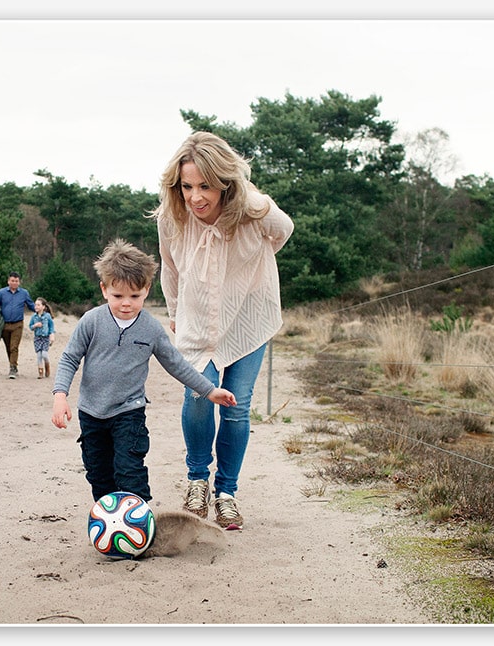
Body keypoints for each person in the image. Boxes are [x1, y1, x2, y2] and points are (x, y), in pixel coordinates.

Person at [148, 131, 294, 529]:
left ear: (225, 183)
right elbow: (170, 267)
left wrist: (248, 204)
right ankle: (198, 480)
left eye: (206, 186)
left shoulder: (252, 209)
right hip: (196, 318)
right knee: (198, 394)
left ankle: (226, 493)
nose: (196, 197)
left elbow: (283, 231)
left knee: (236, 406)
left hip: (249, 315)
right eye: (187, 186)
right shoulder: (171, 217)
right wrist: (175, 310)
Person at [50, 239, 237, 504]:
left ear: (147, 290)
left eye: (134, 296)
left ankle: (139, 525)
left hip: (129, 412)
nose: (126, 303)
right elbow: (69, 358)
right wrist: (60, 395)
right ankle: (112, 526)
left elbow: (176, 364)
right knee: (99, 474)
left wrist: (209, 390)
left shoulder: (150, 329)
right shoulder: (91, 321)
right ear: (104, 290)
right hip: (91, 413)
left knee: (129, 471)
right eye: (118, 296)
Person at [0, 271, 36, 379]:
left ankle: (13, 368)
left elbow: (31, 305)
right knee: (8, 347)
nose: (14, 283)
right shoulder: (1, 293)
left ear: (19, 282)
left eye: (16, 281)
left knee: (14, 346)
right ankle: (12, 364)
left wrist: (40, 311)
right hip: (4, 325)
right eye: (12, 281)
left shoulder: (24, 293)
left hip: (18, 324)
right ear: (8, 281)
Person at [28, 298, 56, 379]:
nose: (36, 306)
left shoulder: (47, 316)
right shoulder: (34, 316)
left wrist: (52, 335)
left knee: (44, 354)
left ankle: (47, 366)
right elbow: (30, 326)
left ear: (43, 306)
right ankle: (40, 372)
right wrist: (35, 325)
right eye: (35, 305)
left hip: (45, 338)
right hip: (37, 338)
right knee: (39, 355)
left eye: (38, 305)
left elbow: (51, 326)